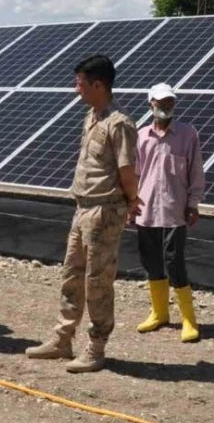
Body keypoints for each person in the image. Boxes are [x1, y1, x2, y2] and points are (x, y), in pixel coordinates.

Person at [25, 54, 141, 373]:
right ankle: (63, 339)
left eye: (80, 83)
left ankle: (96, 347)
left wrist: (132, 200)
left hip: (105, 211)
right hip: (83, 208)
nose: (76, 89)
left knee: (97, 282)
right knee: (72, 276)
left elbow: (127, 169)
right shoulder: (92, 117)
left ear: (98, 84)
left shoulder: (120, 123)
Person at [133, 83, 204, 342]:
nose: (165, 107)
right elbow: (136, 174)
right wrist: (131, 202)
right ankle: (159, 313)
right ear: (150, 103)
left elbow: (195, 171)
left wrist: (194, 203)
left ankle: (189, 319)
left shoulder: (187, 134)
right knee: (151, 261)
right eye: (161, 102)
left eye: (170, 102)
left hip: (175, 209)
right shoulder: (141, 136)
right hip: (146, 209)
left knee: (175, 262)